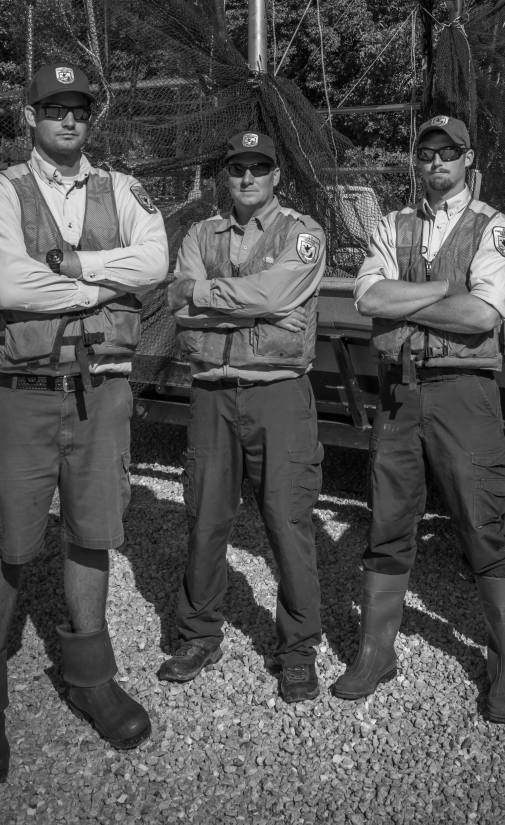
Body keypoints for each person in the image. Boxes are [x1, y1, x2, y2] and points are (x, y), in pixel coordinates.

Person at [0, 63, 170, 789]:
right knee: (5, 544)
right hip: (22, 392)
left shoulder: (124, 188)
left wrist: (74, 267)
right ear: (30, 115)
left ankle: (92, 678)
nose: (68, 120)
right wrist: (107, 282)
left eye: (79, 108)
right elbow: (10, 284)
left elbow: (156, 264)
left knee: (92, 532)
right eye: (54, 108)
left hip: (103, 391)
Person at [334, 116, 505, 722]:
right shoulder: (391, 223)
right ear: (415, 160)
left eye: (449, 152)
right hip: (399, 392)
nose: (437, 161)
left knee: (483, 525)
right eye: (426, 152)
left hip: (463, 392)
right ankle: (375, 653)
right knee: (387, 519)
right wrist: (444, 290)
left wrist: (408, 300)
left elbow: (483, 314)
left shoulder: (494, 227)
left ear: (468, 159)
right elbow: (368, 297)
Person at [160, 131, 326, 702]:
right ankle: (198, 635)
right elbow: (179, 304)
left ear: (276, 175)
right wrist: (254, 306)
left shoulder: (302, 233)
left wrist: (210, 296)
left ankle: (297, 649)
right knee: (205, 517)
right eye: (237, 168)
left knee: (287, 521)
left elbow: (276, 295)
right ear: (225, 175)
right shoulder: (199, 234)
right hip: (211, 393)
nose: (248, 177)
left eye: (259, 167)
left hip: (277, 395)